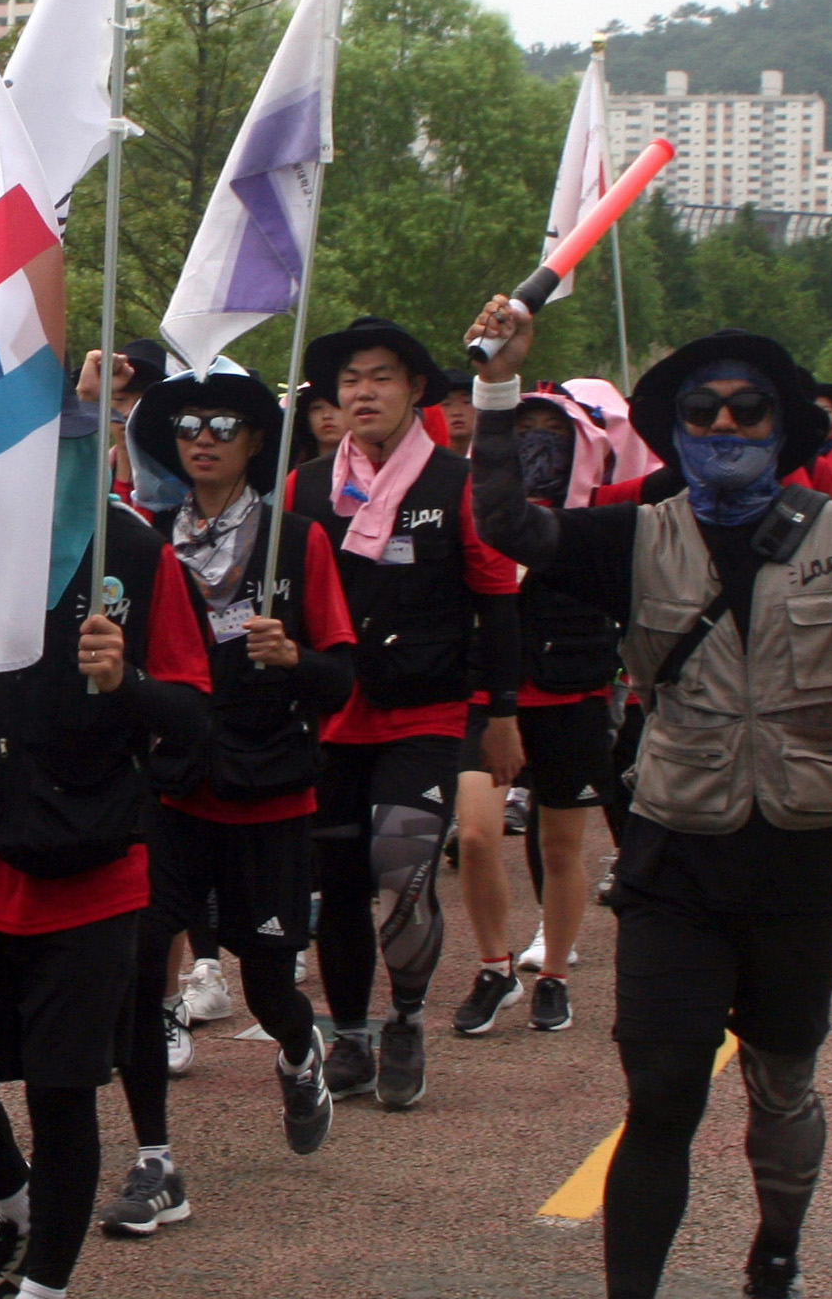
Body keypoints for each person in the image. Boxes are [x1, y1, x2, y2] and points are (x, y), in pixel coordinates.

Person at [460, 301, 832, 1299]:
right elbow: (504, 524)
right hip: (676, 856)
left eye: (748, 409)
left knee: (779, 1082)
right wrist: (497, 389)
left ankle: (775, 1252)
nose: (725, 423)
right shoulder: (635, 531)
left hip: (799, 860)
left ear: (785, 429)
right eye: (702, 409)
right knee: (666, 1089)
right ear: (674, 428)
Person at [0, 354, 215, 1299]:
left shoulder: (137, 553)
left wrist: (124, 679)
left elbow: (194, 717)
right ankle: (12, 1207)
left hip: (93, 873)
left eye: (78, 428)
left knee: (62, 1095)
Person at [131, 357, 358, 1199]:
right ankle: (154, 1158)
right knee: (141, 959)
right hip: (174, 786)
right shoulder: (149, 539)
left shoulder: (299, 540)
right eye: (189, 428)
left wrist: (293, 656)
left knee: (268, 986)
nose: (204, 441)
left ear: (257, 439)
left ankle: (303, 1056)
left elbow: (343, 676)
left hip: (268, 789)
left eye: (224, 426)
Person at [286, 317, 525, 1114]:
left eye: (382, 377)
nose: (363, 392)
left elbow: (497, 599)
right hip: (329, 713)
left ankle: (409, 1019)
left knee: (403, 868)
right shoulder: (308, 486)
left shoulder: (455, 483)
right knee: (339, 881)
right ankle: (350, 1033)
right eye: (350, 379)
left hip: (426, 710)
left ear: (415, 389)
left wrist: (501, 712)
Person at [457, 381, 649, 1038]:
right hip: (485, 691)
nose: (539, 440)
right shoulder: (484, 502)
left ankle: (556, 974)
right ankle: (493, 965)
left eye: (553, 429)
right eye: (526, 427)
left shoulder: (603, 509)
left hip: (572, 687)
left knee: (561, 844)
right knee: (478, 835)